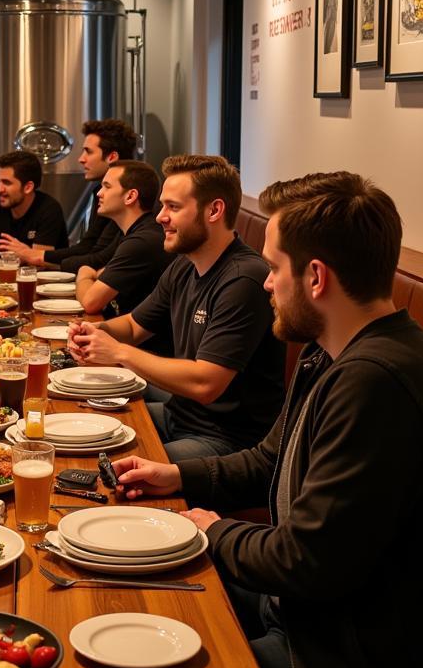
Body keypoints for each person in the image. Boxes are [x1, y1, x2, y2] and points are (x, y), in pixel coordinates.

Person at [111, 172, 423, 668]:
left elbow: (307, 560)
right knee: (130, 585)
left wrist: (211, 531)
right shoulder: (331, 353)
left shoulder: (373, 382)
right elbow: (267, 460)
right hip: (305, 613)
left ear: (315, 277)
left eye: (274, 269)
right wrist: (177, 477)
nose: (266, 284)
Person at [68, 154, 284, 460]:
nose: (159, 217)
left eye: (174, 207)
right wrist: (93, 332)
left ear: (214, 210)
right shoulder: (185, 264)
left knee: (111, 471)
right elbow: (132, 327)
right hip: (179, 416)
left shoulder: (244, 279)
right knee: (82, 425)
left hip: (226, 440)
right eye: (163, 205)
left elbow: (205, 382)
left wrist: (117, 352)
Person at [0, 118, 136, 273]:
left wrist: (36, 256)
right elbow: (91, 247)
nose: (81, 159)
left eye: (88, 151)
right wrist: (36, 255)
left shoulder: (124, 198)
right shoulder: (100, 192)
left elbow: (99, 255)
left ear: (111, 157)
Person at [74, 160, 170, 319]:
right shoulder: (136, 232)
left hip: (142, 342)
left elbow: (90, 302)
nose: (99, 193)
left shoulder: (141, 242)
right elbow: (103, 275)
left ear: (130, 196)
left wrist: (83, 273)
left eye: (107, 186)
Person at [0, 149, 68, 274]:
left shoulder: (49, 209)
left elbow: (39, 264)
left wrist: (24, 252)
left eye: (6, 182)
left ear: (28, 187)